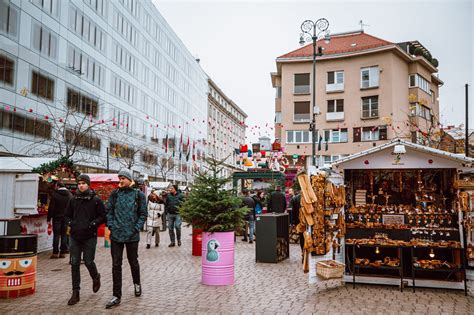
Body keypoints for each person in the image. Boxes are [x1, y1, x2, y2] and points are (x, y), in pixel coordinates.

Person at [105, 169, 147, 309]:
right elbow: (108, 211)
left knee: (133, 261)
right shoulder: (115, 194)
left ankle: (137, 283)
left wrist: (136, 228)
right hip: (116, 235)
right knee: (116, 265)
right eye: (119, 178)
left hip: (132, 236)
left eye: (123, 178)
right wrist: (111, 225)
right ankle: (116, 295)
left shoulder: (138, 195)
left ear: (130, 179)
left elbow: (143, 214)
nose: (120, 180)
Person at [64, 174, 106, 306]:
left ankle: (95, 277)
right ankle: (75, 292)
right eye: (79, 183)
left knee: (88, 261)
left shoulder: (96, 200)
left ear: (88, 184)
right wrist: (71, 223)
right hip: (75, 236)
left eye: (83, 183)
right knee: (75, 263)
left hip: (89, 236)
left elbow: (103, 216)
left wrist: (93, 224)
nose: (80, 185)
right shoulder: (73, 199)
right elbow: (66, 216)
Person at [48, 181, 73, 259]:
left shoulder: (55, 195)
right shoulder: (70, 195)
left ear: (58, 186)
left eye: (55, 186)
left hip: (57, 217)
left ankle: (55, 252)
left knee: (56, 235)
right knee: (64, 235)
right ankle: (63, 252)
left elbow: (51, 208)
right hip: (66, 218)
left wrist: (49, 218)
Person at [290, 190, 304, 259]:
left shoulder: (295, 198)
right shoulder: (308, 197)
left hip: (299, 221)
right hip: (307, 221)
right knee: (305, 237)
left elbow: (293, 212)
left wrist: (293, 222)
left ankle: (303, 253)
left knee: (302, 237)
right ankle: (305, 253)